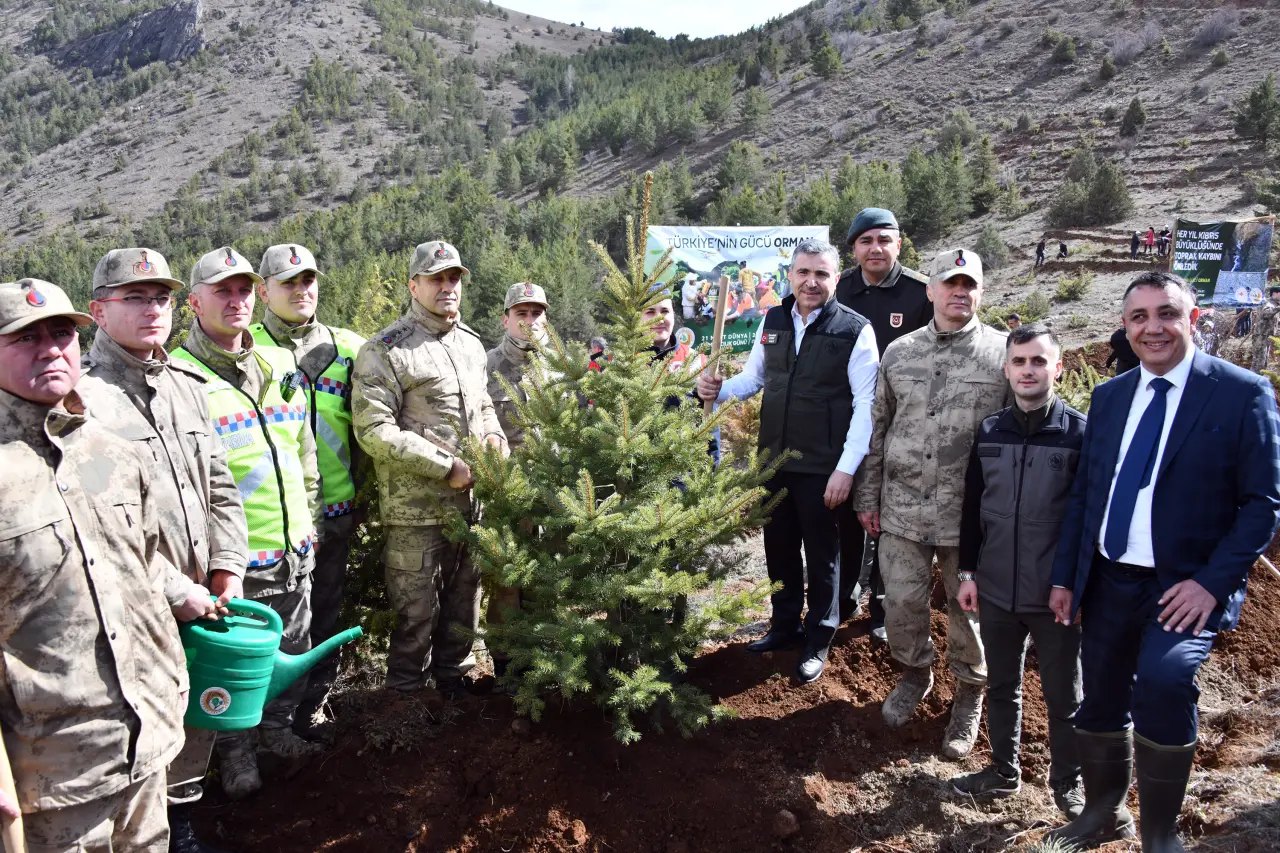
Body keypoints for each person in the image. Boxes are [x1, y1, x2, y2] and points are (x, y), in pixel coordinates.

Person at [1046, 271, 1280, 852]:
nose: (1154, 328)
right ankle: (1104, 812)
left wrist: (1210, 584)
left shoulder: (1241, 392)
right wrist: (1067, 577)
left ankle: (1158, 833)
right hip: (1107, 578)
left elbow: (1263, 504)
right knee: (1098, 694)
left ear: (1192, 318)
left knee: (1165, 680)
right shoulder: (1110, 395)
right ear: (1125, 326)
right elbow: (1088, 494)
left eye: (1167, 314)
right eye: (1139, 317)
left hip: (1184, 584)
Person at [0, 279, 186, 852]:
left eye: (62, 333)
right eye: (25, 338)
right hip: (51, 778)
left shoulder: (110, 451)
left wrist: (186, 594)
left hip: (147, 742)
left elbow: (143, 563)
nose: (52, 348)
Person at [76, 248, 249, 852]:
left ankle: (186, 823)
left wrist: (229, 566)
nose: (153, 310)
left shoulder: (185, 385)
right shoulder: (83, 402)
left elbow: (220, 483)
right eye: (135, 298)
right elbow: (100, 528)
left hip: (205, 595)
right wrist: (179, 592)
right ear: (99, 310)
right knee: (145, 730)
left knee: (195, 721)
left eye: (162, 298)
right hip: (135, 608)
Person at [172, 246, 325, 799]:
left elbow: (302, 449)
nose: (235, 301)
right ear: (194, 302)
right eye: (222, 292)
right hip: (234, 562)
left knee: (291, 646)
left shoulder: (278, 363)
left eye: (242, 290)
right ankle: (234, 759)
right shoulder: (179, 379)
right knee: (234, 664)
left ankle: (278, 733)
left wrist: (308, 520)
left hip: (294, 545)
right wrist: (216, 562)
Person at [698, 237, 878, 684]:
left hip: (823, 466)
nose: (811, 282)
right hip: (773, 461)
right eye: (804, 273)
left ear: (835, 278)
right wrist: (717, 389)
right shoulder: (774, 319)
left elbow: (867, 405)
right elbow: (755, 379)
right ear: (790, 276)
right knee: (778, 549)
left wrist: (846, 468)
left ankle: (818, 637)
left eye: (821, 274)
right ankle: (783, 626)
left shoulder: (855, 330)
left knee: (822, 556)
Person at [855, 248, 1010, 759]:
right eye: (950, 283)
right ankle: (914, 673)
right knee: (900, 603)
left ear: (980, 292)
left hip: (970, 519)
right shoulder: (898, 353)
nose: (959, 292)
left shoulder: (1004, 354)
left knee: (971, 615)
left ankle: (969, 694)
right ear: (931, 289)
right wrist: (868, 495)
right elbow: (878, 429)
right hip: (901, 507)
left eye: (969, 284)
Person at [351, 241, 506, 698]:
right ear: (413, 285)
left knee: (464, 606)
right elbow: (374, 430)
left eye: (454, 278)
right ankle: (406, 704)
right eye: (436, 278)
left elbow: (483, 406)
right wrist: (445, 467)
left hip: (470, 506)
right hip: (415, 511)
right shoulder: (386, 349)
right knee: (415, 614)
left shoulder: (471, 345)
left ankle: (454, 687)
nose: (447, 287)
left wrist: (494, 438)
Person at [950, 323, 1086, 818]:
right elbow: (971, 508)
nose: (1028, 370)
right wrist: (968, 572)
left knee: (1063, 695)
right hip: (997, 591)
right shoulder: (989, 431)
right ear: (1006, 368)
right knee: (1002, 684)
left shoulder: (1079, 434)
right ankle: (1003, 772)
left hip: (1054, 596)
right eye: (1020, 361)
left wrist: (1070, 582)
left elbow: (1085, 518)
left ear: (1058, 367)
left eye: (1039, 361)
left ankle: (1067, 785)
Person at [248, 244, 366, 740]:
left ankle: (312, 710)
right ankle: (256, 727)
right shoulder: (246, 349)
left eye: (308, 280)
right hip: (271, 525)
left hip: (337, 511)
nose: (301, 290)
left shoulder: (351, 348)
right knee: (270, 632)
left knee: (326, 615)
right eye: (288, 282)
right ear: (263, 291)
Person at [834, 207, 932, 641]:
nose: (876, 249)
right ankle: (841, 598)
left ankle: (881, 604)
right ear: (853, 248)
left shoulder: (921, 293)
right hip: (846, 419)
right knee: (849, 511)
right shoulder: (837, 290)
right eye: (866, 241)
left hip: (902, 423)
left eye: (884, 240)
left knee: (891, 516)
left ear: (898, 243)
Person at [484, 282, 550, 681]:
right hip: (507, 494)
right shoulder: (486, 366)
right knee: (507, 581)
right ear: (505, 318)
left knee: (548, 577)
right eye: (520, 314)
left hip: (555, 495)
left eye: (536, 313)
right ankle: (507, 667)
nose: (529, 322)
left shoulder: (562, 367)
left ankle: (546, 661)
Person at [1250, 285, 1280, 373]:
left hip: (1267, 336)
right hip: (1261, 336)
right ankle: (1253, 381)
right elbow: (1266, 314)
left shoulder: (1275, 304)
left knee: (1264, 362)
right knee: (1259, 362)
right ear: (1275, 293)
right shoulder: (1268, 303)